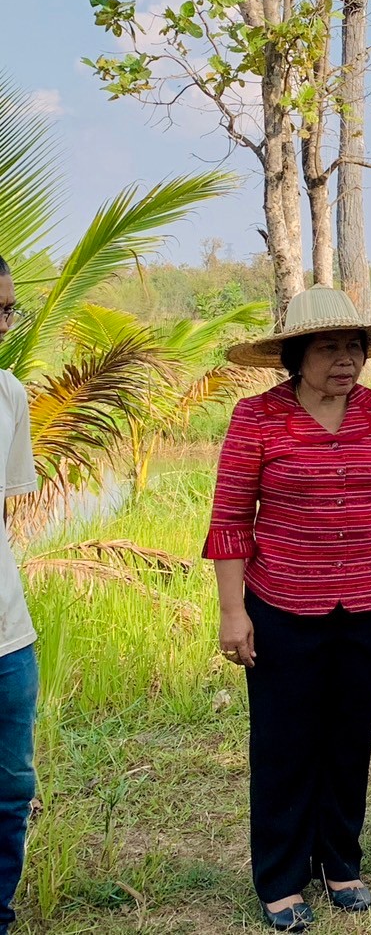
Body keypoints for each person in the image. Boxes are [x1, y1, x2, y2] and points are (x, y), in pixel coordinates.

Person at [204, 286, 371, 932]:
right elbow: (229, 521)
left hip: (368, 601)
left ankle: (340, 862)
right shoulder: (257, 418)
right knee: (284, 741)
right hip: (281, 603)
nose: (346, 359)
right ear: (296, 354)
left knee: (349, 735)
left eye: (354, 347)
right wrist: (232, 611)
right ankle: (279, 876)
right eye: (330, 346)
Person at [0, 257, 38, 935]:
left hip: (8, 637)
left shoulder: (10, 395)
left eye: (8, 310)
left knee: (9, 791)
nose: (5, 325)